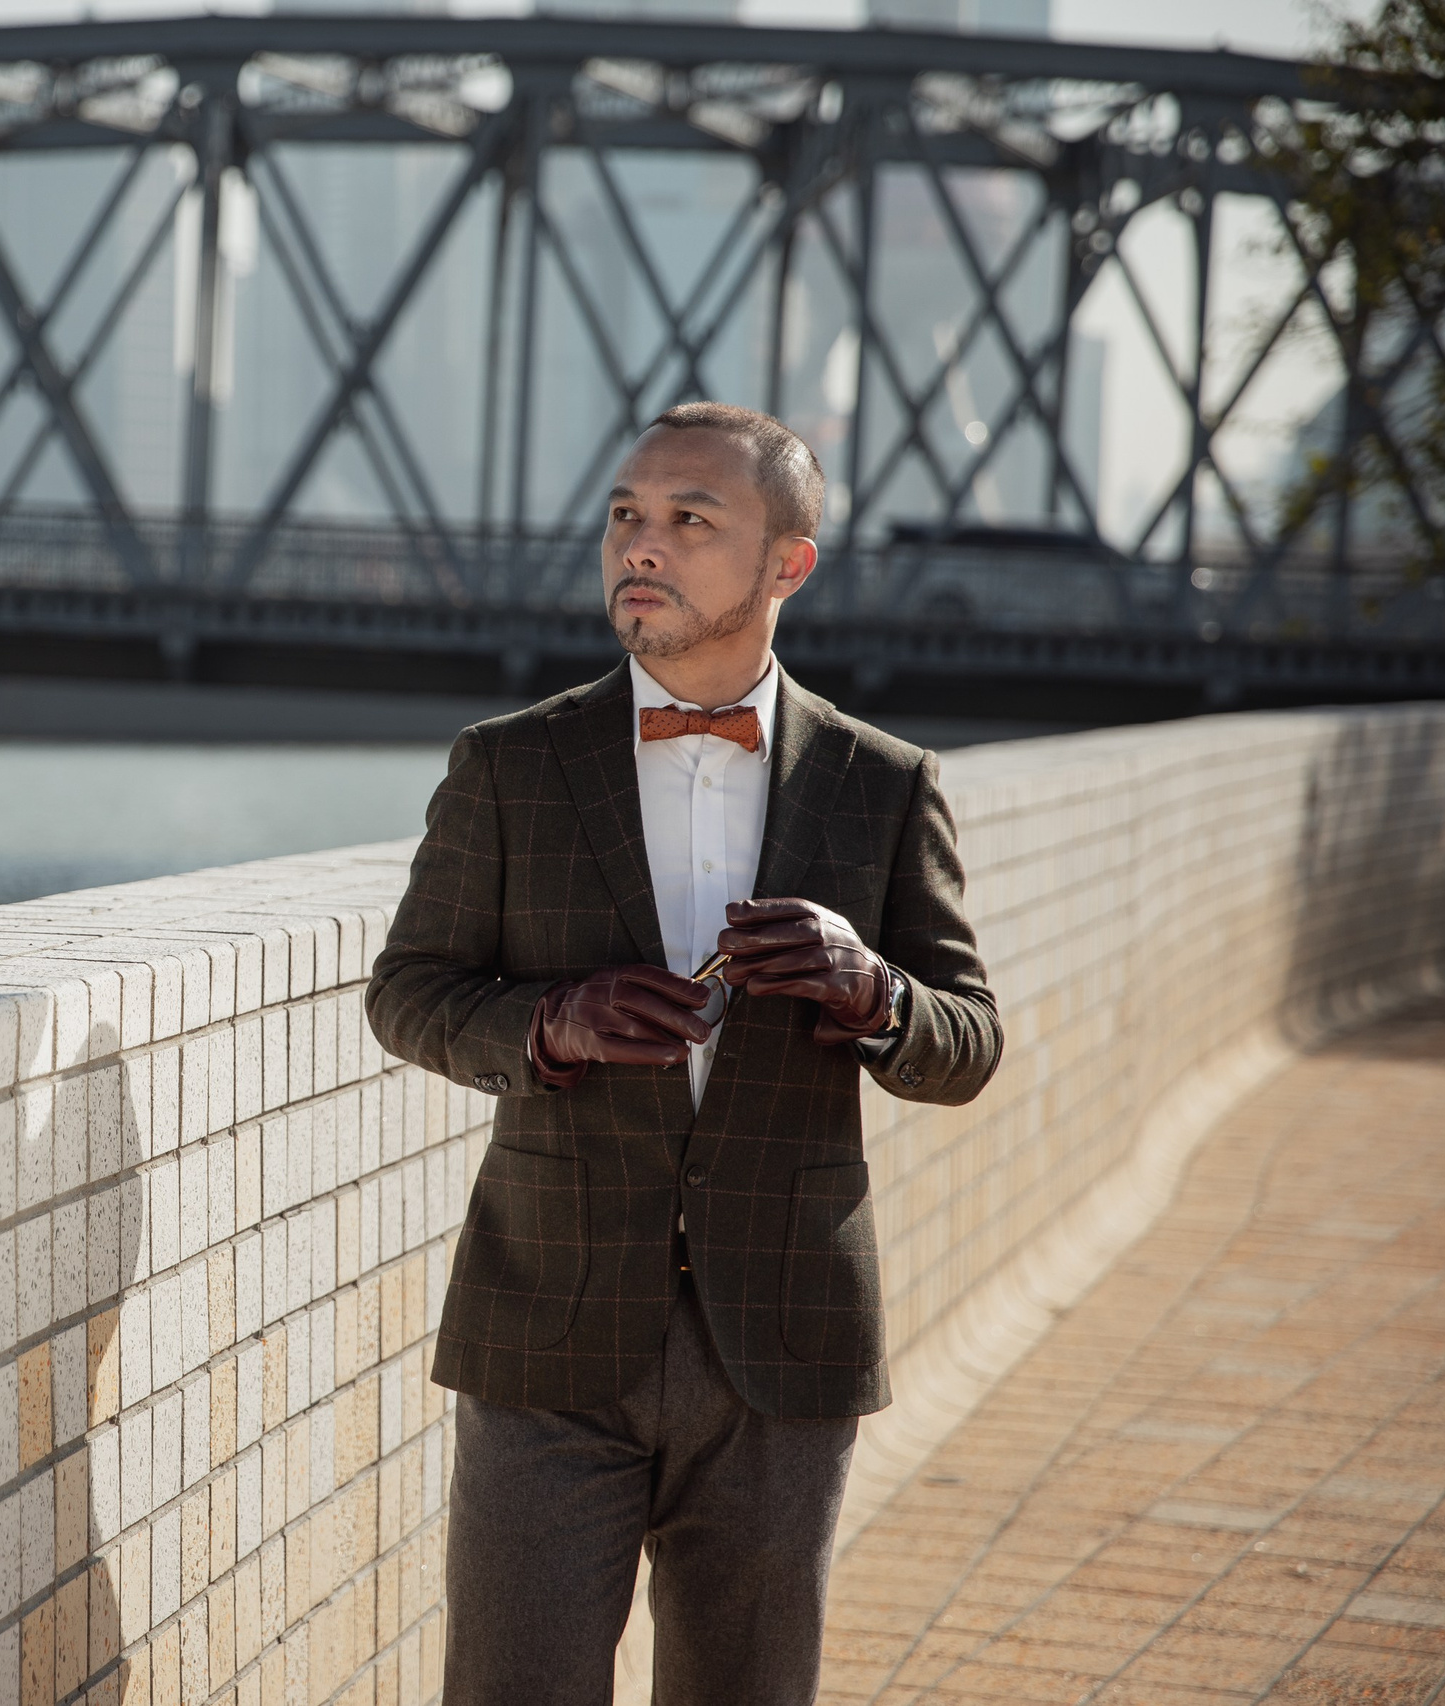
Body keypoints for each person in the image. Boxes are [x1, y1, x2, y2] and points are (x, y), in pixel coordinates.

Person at [366, 401, 1002, 1705]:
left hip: (785, 1341)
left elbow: (966, 1042)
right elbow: (410, 992)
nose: (640, 547)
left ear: (788, 563)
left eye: (689, 520)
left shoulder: (884, 783)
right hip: (546, 1323)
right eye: (625, 516)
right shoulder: (509, 766)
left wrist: (870, 986)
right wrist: (549, 1020)